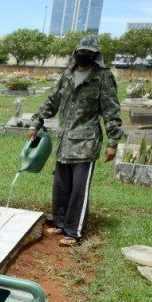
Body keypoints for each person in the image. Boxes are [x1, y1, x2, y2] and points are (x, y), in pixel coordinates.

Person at [29, 34, 123, 247]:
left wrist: (112, 142)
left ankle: (74, 232)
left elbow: (111, 110)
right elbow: (52, 101)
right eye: (82, 52)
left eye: (89, 54)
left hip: (86, 143)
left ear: (96, 56)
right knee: (61, 186)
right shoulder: (68, 75)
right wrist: (36, 121)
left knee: (78, 189)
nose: (85, 56)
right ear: (76, 52)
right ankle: (61, 223)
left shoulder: (102, 78)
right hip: (65, 141)